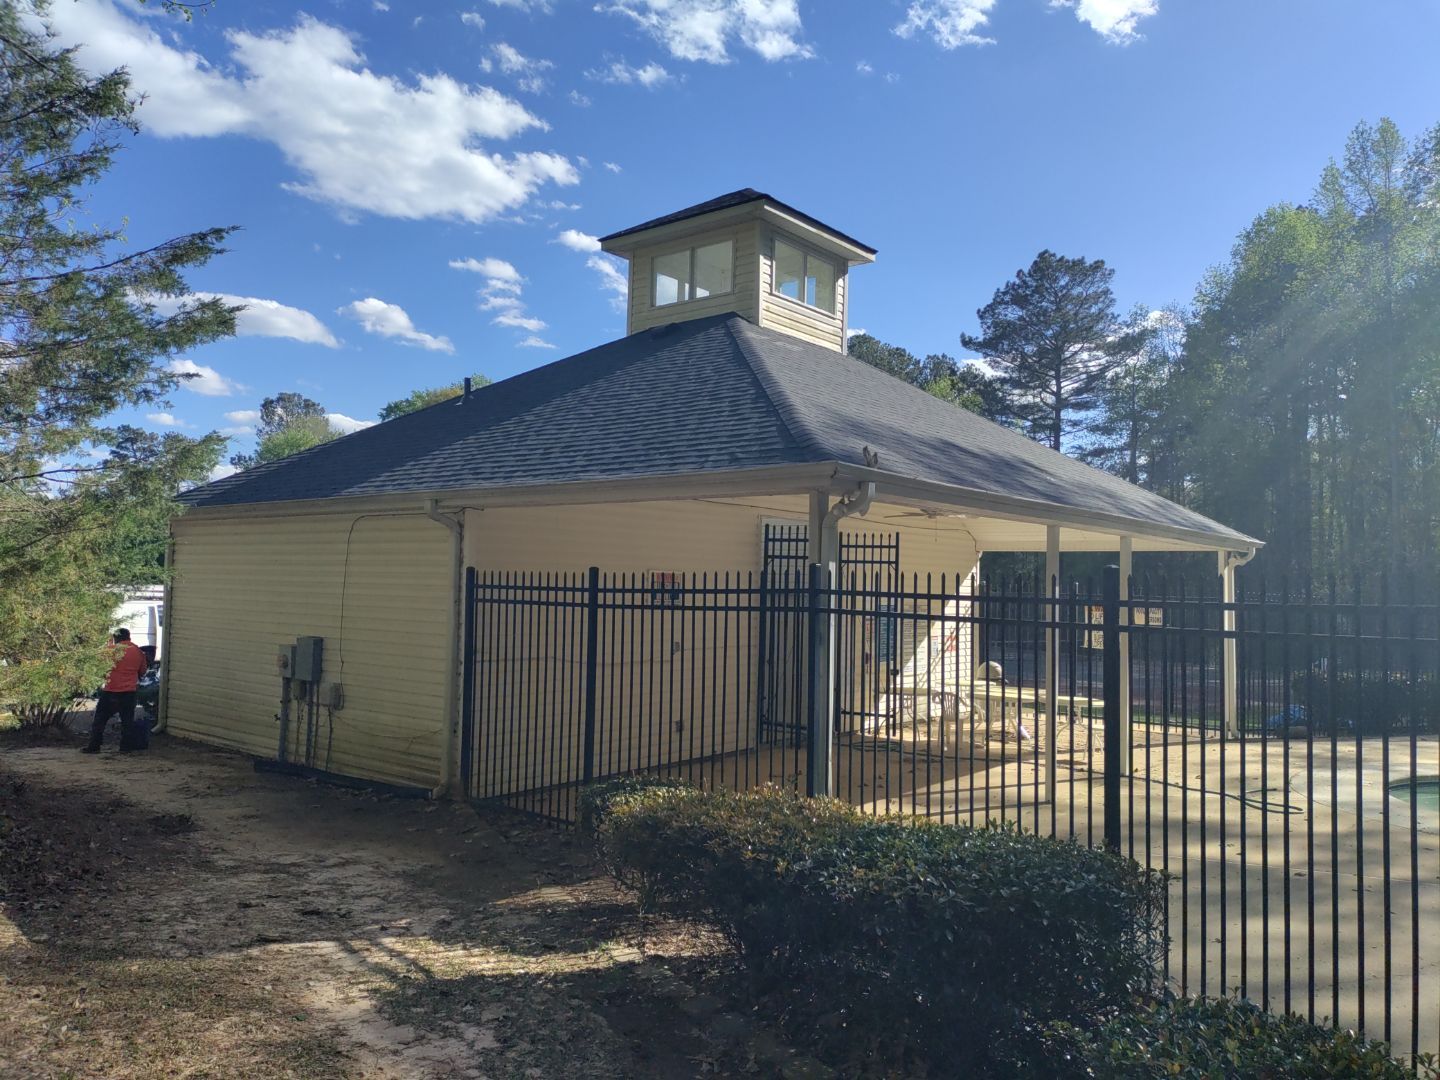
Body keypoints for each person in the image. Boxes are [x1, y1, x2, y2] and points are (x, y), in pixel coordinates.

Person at [83, 629, 152, 753]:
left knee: (100, 720)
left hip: (111, 690)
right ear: (129, 637)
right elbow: (142, 671)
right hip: (129, 692)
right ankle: (125, 748)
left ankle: (94, 746)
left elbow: (101, 669)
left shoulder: (111, 651)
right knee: (127, 721)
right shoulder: (138, 652)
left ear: (116, 638)